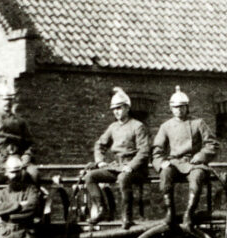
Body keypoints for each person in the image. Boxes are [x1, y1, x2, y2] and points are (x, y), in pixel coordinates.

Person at [154, 89, 217, 230]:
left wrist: (200, 156)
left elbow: (212, 144)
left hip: (193, 163)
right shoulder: (166, 127)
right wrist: (161, 163)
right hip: (175, 162)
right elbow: (157, 150)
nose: (179, 110)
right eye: (176, 107)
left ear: (187, 107)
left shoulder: (198, 123)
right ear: (171, 108)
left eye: (182, 107)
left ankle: (189, 212)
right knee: (165, 174)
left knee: (197, 176)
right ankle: (170, 211)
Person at [85, 88, 151, 222]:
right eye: (114, 109)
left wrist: (131, 166)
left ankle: (127, 216)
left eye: (119, 108)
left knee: (123, 177)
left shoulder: (138, 126)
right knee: (90, 177)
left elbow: (144, 151)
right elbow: (99, 145)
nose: (116, 111)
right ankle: (101, 209)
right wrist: (100, 161)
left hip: (136, 169)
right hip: (117, 166)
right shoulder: (113, 127)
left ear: (127, 108)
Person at [0, 83, 34, 176]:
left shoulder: (21, 121)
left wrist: (27, 155)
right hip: (0, 161)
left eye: (10, 99)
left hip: (19, 159)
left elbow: (30, 143)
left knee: (33, 174)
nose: (7, 102)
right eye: (4, 99)